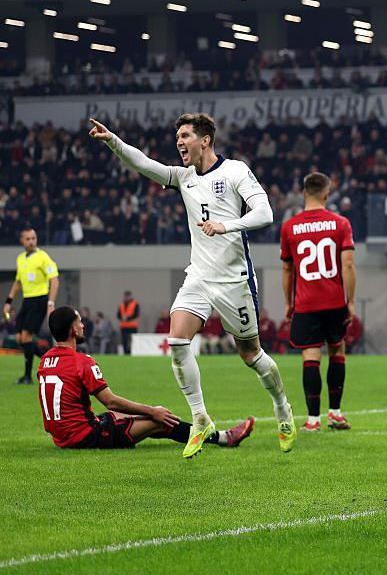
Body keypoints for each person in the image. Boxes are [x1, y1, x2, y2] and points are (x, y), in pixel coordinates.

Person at [88, 113, 296, 458]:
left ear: (205, 140)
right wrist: (113, 141)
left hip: (235, 280)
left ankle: (282, 409)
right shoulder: (183, 177)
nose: (179, 142)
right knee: (178, 340)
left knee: (251, 355)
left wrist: (226, 226)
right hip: (198, 276)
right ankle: (201, 418)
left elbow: (265, 213)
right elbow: (143, 164)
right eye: (178, 137)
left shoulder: (235, 172)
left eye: (185, 136)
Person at [37, 306, 254, 450]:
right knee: (160, 419)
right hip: (86, 437)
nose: (83, 325)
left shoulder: (45, 360)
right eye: (80, 321)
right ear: (73, 329)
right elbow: (110, 400)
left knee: (124, 415)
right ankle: (225, 438)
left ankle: (160, 424)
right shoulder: (81, 361)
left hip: (62, 437)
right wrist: (152, 411)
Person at [280, 172, 356, 432]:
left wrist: (289, 303)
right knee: (337, 351)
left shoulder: (289, 227)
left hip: (306, 303)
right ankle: (335, 413)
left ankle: (313, 420)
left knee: (310, 357)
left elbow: (288, 271)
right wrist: (351, 300)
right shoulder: (341, 223)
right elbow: (347, 264)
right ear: (327, 194)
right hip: (335, 302)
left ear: (303, 193)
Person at [4, 227, 59, 385]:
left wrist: (50, 303)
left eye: (33, 238)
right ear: (22, 240)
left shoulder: (43, 257)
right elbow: (18, 282)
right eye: (28, 239)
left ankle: (27, 376)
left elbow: (54, 280)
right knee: (21, 338)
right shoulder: (21, 258)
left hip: (39, 300)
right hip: (27, 300)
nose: (31, 241)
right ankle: (51, 361)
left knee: (27, 337)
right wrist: (8, 301)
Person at [117, 291, 140, 355]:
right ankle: (125, 354)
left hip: (132, 326)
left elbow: (136, 314)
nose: (126, 298)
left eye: (128, 296)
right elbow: (118, 314)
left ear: (130, 296)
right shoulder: (121, 304)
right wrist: (122, 318)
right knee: (124, 341)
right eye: (125, 296)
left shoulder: (135, 304)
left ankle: (133, 353)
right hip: (124, 326)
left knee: (132, 341)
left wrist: (127, 318)